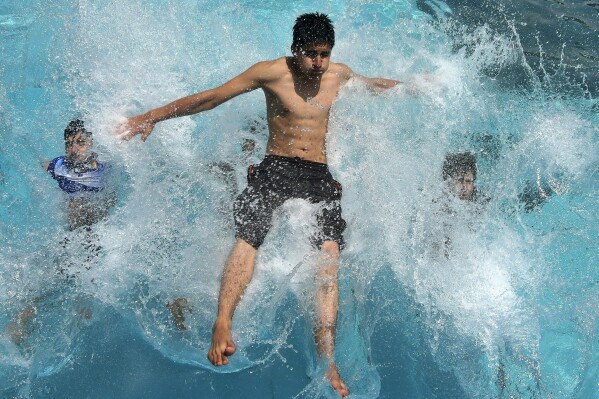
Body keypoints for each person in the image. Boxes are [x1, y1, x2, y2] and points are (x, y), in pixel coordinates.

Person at [117, 13, 403, 397]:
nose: (318, 63)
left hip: (318, 174)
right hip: (275, 168)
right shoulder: (270, 73)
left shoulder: (339, 74)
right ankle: (223, 322)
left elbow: (374, 86)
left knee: (329, 261)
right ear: (295, 50)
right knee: (248, 238)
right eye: (311, 54)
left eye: (325, 54)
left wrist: (415, 88)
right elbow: (213, 97)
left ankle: (328, 360)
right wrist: (152, 116)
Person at [7, 119, 115, 344]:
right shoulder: (59, 166)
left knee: (84, 288)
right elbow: (39, 167)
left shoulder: (106, 165)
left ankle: (82, 330)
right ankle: (20, 325)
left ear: (93, 143)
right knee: (51, 280)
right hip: (71, 237)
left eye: (80, 143)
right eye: (68, 144)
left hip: (100, 238)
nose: (73, 149)